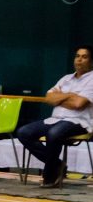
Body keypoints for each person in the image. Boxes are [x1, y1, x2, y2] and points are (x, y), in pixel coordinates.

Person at [17, 45, 93, 187]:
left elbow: (78, 104)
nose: (79, 60)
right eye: (77, 56)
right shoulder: (66, 79)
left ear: (91, 61)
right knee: (23, 132)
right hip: (54, 119)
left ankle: (50, 176)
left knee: (54, 133)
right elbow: (49, 98)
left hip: (78, 121)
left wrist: (59, 98)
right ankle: (58, 165)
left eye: (84, 57)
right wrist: (70, 95)